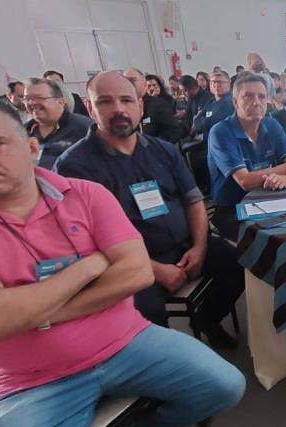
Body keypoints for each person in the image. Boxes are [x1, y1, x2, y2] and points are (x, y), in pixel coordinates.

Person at [0, 92, 244, 427]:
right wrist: (91, 265)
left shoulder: (85, 194)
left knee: (224, 386)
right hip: (33, 378)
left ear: (31, 147)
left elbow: (135, 273)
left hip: (127, 342)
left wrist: (28, 312)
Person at [54, 71, 242, 347]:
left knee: (239, 264)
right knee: (146, 312)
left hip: (184, 245)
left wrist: (199, 248)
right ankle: (165, 360)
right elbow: (87, 242)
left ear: (140, 106)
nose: (119, 109)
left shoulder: (163, 150)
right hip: (128, 264)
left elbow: (193, 201)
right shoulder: (74, 166)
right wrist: (155, 270)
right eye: (106, 101)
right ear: (90, 107)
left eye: (127, 100)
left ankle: (207, 319)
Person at [207, 72, 286, 239]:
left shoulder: (271, 124)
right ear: (235, 102)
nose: (256, 102)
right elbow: (245, 181)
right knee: (281, 240)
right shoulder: (221, 132)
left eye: (262, 97)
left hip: (272, 199)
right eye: (248, 96)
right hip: (233, 208)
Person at [24, 78, 92, 170]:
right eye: (27, 99)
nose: (31, 103)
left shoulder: (84, 127)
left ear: (60, 102)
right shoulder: (22, 132)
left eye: (39, 98)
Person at [123, 68, 183, 144]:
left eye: (133, 80)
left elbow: (175, 132)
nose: (129, 84)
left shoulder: (158, 105)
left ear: (144, 84)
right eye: (126, 81)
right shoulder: (125, 109)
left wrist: (152, 145)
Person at [194, 70, 235, 137]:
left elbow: (205, 124)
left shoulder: (231, 102)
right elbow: (197, 120)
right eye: (213, 82)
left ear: (229, 84)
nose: (216, 85)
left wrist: (203, 120)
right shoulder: (211, 101)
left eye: (220, 82)